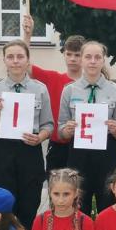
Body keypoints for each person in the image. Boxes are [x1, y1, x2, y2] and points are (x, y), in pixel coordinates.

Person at [0, 40, 53, 230]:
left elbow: (48, 124)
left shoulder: (40, 89)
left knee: (29, 205)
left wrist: (40, 137)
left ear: (28, 60)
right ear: (4, 60)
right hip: (2, 153)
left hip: (30, 151)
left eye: (20, 56)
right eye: (10, 57)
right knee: (2, 207)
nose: (15, 61)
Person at [58, 41, 116, 216]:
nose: (93, 61)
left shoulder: (115, 90)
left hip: (106, 153)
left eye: (97, 57)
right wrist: (67, 129)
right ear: (81, 60)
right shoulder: (69, 90)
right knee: (79, 206)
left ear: (103, 60)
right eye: (88, 57)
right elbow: (61, 130)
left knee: (108, 204)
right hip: (78, 154)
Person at [23, 14, 84, 172]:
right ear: (64, 55)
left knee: (80, 187)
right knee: (55, 186)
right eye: (69, 54)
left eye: (77, 55)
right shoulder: (53, 78)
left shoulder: (91, 85)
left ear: (84, 57)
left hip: (84, 146)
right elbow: (25, 65)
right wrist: (27, 36)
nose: (72, 59)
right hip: (58, 146)